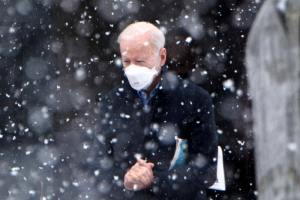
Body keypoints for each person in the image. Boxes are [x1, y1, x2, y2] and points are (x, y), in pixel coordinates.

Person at [89, 21, 218, 200]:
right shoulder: (111, 102)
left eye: (140, 61)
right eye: (126, 61)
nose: (132, 68)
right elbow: (97, 166)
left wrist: (154, 181)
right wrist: (125, 180)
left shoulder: (195, 99)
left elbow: (207, 171)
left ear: (162, 57)